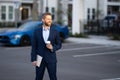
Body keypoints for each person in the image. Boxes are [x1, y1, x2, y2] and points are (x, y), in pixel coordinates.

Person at [31, 12, 62, 80]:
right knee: (38, 77)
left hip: (51, 59)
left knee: (53, 78)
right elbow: (34, 47)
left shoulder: (55, 31)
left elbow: (59, 44)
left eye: (50, 19)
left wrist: (52, 48)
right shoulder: (37, 31)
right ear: (43, 20)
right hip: (39, 59)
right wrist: (33, 59)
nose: (50, 20)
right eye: (48, 19)